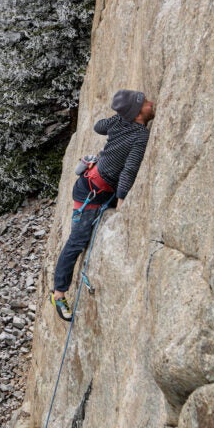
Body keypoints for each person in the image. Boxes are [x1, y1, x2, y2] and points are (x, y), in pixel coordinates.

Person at [51, 89, 155, 321]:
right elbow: (129, 169)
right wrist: (121, 201)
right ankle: (58, 294)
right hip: (91, 192)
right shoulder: (140, 136)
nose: (152, 103)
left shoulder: (121, 121)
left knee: (79, 240)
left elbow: (100, 126)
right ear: (138, 114)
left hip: (94, 184)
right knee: (77, 242)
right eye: (146, 103)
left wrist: (118, 118)